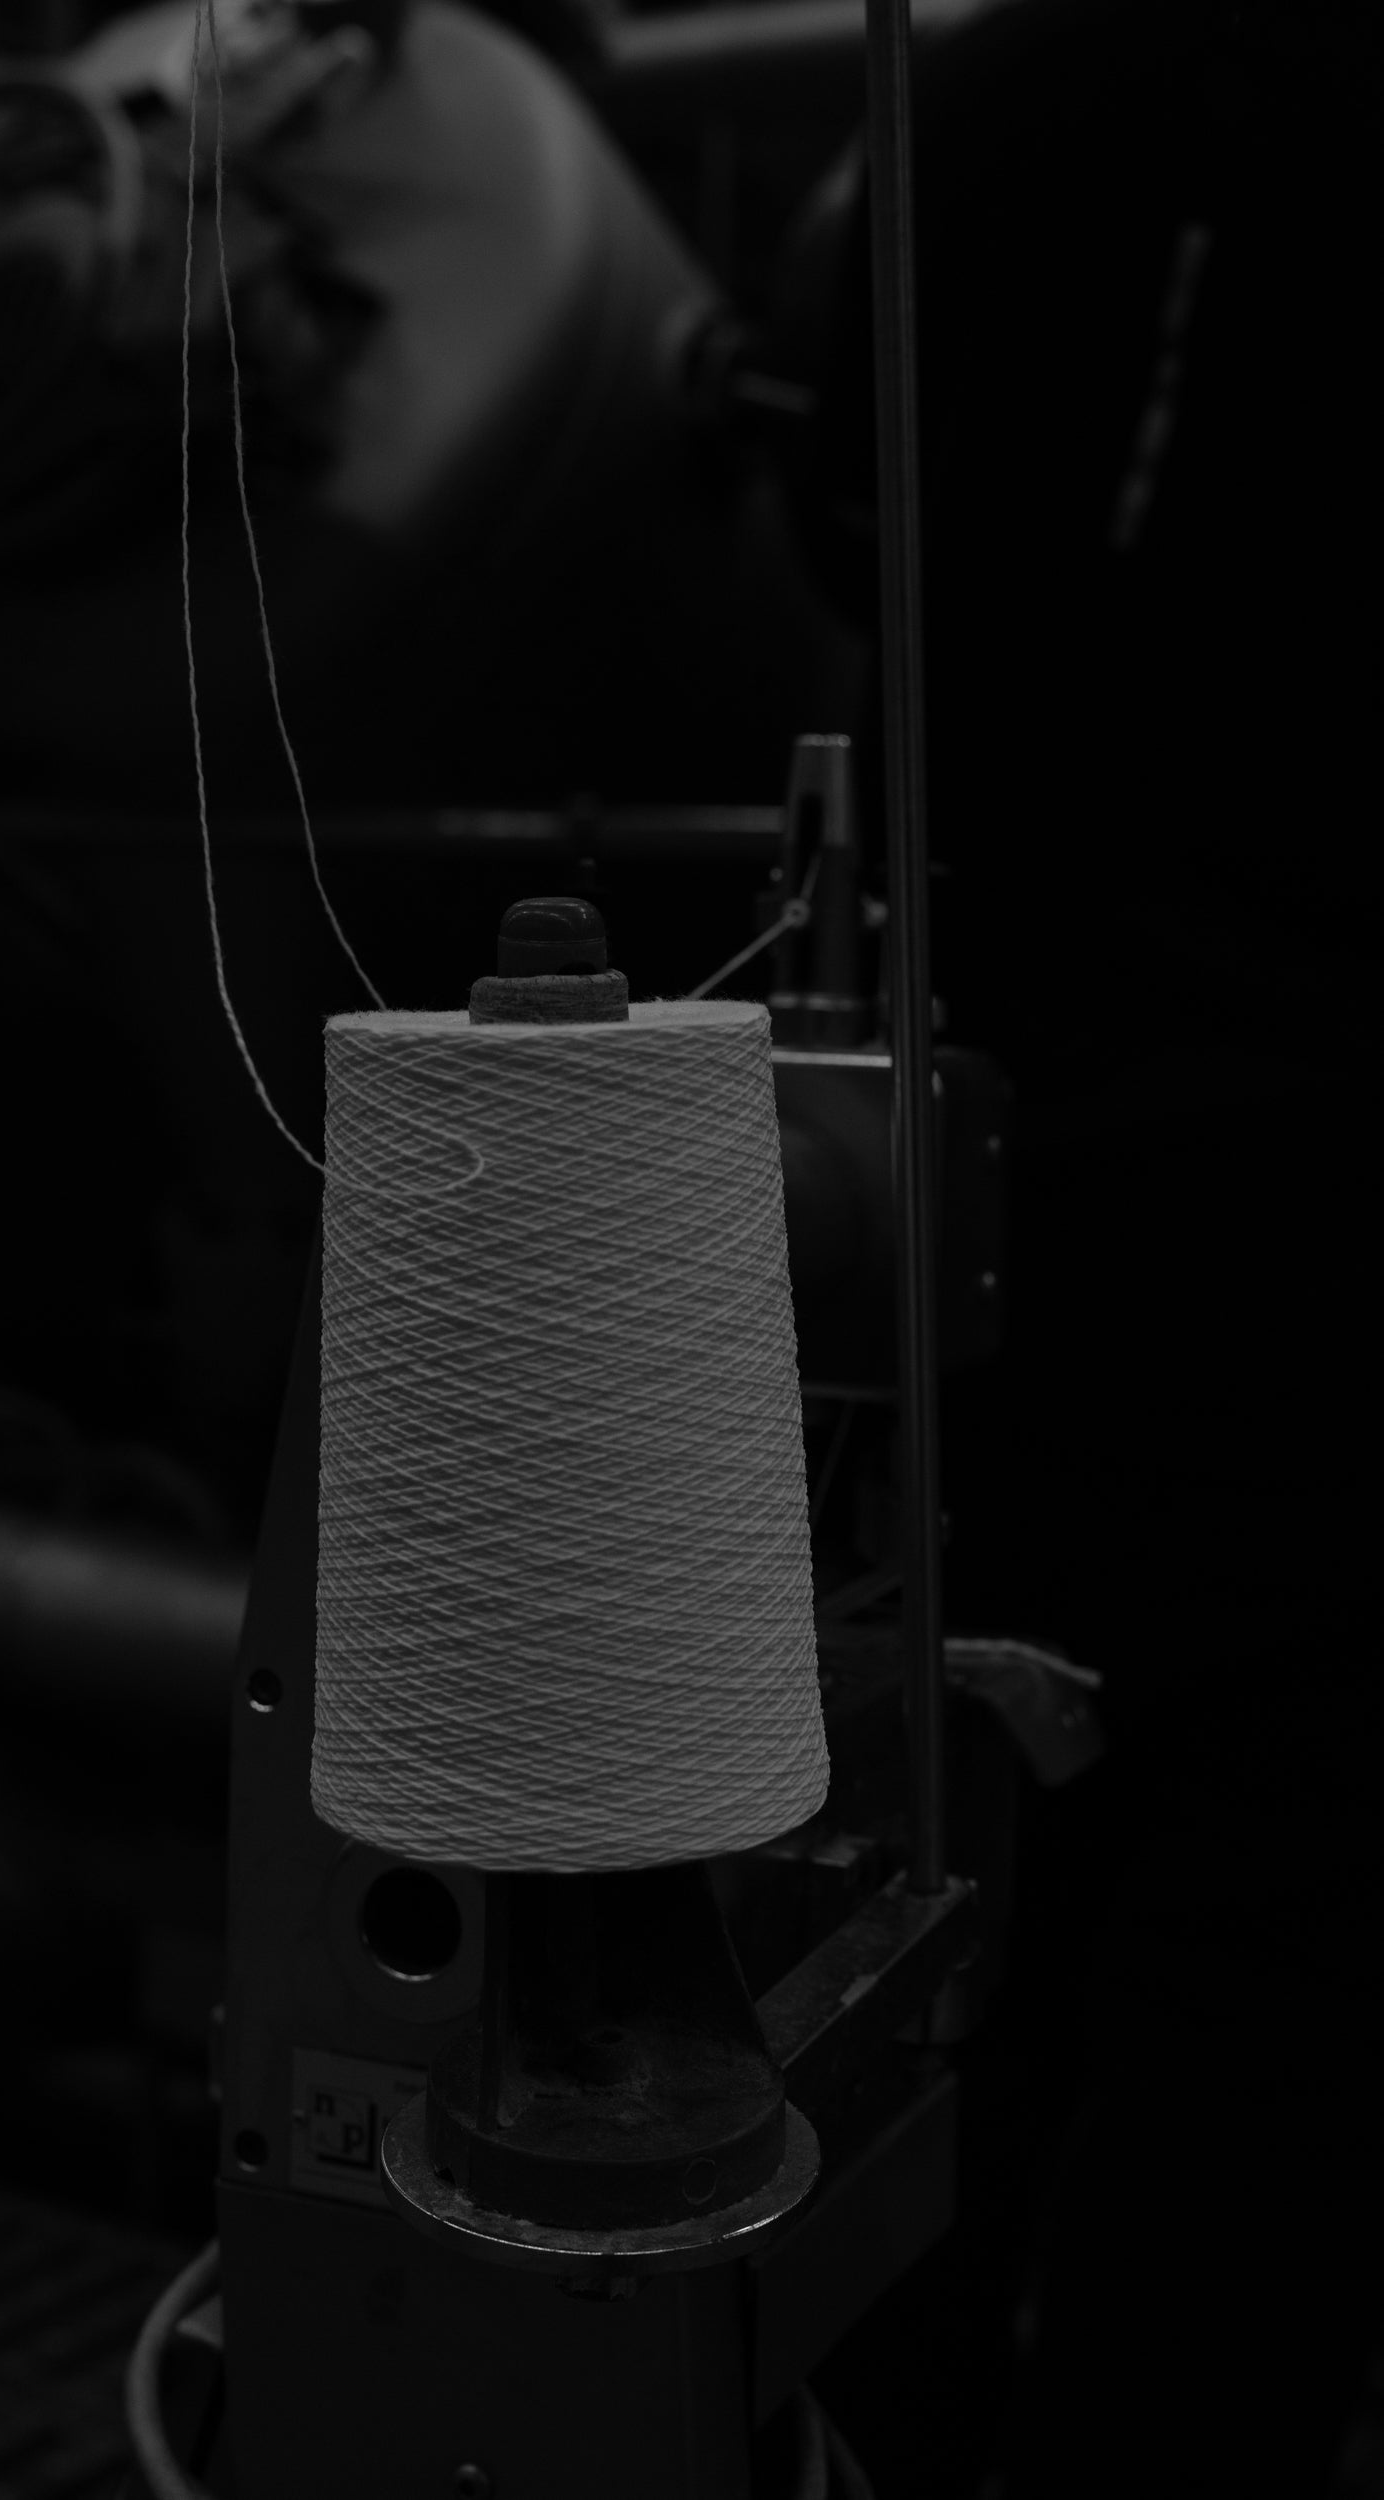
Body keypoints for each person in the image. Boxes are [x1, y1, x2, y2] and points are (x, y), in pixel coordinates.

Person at [771, 2, 1384, 2489]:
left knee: (936, 1970)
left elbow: (842, 527)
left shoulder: (993, 101)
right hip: (1291, 1255)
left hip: (988, 1190)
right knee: (1253, 2056)